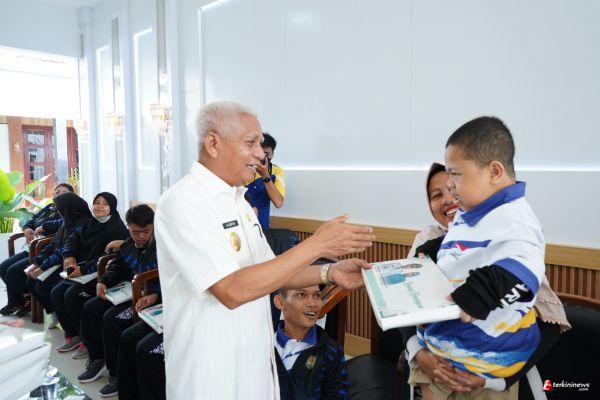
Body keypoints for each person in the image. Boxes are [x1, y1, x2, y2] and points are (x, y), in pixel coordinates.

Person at [155, 100, 374, 400]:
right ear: (213, 143)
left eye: (260, 144)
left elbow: (275, 272)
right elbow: (231, 289)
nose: (261, 154)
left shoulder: (240, 202)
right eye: (251, 143)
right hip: (210, 373)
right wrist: (317, 244)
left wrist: (329, 272)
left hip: (254, 366)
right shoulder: (183, 202)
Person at [402, 162, 570, 398]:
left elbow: (549, 325)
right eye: (436, 195)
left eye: (453, 187)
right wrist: (419, 354)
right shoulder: (427, 240)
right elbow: (404, 307)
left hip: (488, 375)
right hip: (433, 367)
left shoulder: (507, 243)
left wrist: (495, 380)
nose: (448, 199)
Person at [76, 204, 158, 398]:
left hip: (150, 296)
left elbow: (154, 272)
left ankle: (116, 376)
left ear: (153, 227)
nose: (141, 236)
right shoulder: (129, 244)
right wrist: (104, 281)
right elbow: (118, 267)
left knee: (111, 319)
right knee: (91, 307)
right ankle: (98, 358)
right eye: (135, 232)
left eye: (146, 231)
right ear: (129, 227)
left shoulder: (160, 244)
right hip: (130, 291)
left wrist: (155, 294)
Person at [50, 192, 129, 354]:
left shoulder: (117, 229)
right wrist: (68, 255)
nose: (99, 206)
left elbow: (108, 258)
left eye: (105, 203)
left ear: (112, 207)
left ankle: (88, 340)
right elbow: (72, 239)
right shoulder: (90, 223)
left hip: (103, 273)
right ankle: (74, 334)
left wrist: (84, 269)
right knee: (56, 292)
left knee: (72, 296)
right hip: (84, 271)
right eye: (96, 202)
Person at [0, 183, 73, 316]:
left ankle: (15, 303)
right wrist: (27, 228)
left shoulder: (68, 211)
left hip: (43, 249)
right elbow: (32, 219)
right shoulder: (49, 207)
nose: (58, 195)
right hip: (31, 248)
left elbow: (60, 226)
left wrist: (43, 227)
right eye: (57, 192)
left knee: (12, 271)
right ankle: (24, 298)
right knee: (3, 267)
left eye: (63, 193)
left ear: (72, 196)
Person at [25, 193, 91, 324]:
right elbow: (53, 244)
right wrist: (36, 263)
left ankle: (63, 317)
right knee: (30, 281)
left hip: (73, 264)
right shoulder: (67, 221)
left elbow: (63, 251)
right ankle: (56, 312)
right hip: (59, 262)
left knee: (42, 286)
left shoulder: (84, 224)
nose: (58, 212)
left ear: (68, 208)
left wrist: (42, 267)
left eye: (59, 208)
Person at [273, 285, 348, 399]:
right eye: (301, 295)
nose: (312, 304)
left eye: (317, 295)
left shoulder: (331, 351)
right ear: (280, 302)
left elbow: (338, 395)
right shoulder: (263, 343)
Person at [245, 132, 285, 228]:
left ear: (272, 154)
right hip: (244, 223)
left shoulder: (276, 171)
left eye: (266, 154)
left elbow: (278, 203)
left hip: (263, 226)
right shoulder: (243, 169)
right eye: (260, 153)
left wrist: (265, 175)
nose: (262, 157)